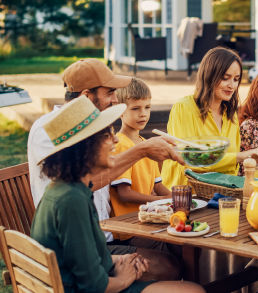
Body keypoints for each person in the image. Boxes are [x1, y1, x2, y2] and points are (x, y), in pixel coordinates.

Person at [27, 58, 182, 280]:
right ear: (86, 96)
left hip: (107, 234)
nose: (115, 99)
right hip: (79, 246)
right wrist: (142, 151)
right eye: (109, 92)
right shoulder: (49, 130)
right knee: (171, 265)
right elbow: (88, 182)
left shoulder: (92, 126)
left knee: (179, 245)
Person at [30, 96, 204, 293]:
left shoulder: (67, 189)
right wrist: (125, 278)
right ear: (85, 148)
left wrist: (120, 259)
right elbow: (94, 286)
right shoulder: (72, 200)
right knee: (193, 290)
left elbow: (83, 258)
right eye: (106, 135)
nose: (115, 139)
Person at [161, 47, 258, 187]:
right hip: (186, 193)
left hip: (221, 193)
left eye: (236, 79)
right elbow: (192, 160)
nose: (232, 85)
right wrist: (241, 156)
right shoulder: (184, 107)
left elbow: (231, 168)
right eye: (225, 78)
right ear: (209, 76)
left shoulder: (231, 116)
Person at [110, 78, 171, 217]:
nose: (143, 113)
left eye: (147, 107)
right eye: (135, 108)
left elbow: (157, 186)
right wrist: (159, 200)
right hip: (127, 225)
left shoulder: (147, 143)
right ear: (120, 111)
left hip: (148, 218)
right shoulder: (120, 144)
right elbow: (124, 194)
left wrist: (175, 197)